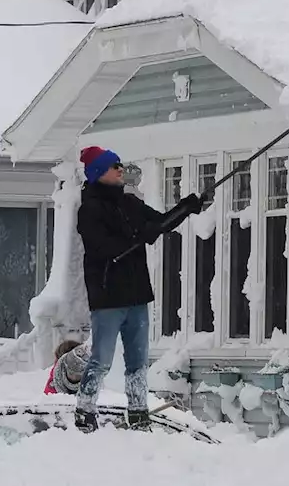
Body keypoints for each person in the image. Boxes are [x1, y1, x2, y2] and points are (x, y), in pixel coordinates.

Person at [75, 146, 204, 432]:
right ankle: (84, 411)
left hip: (137, 296)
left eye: (120, 165)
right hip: (108, 298)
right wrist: (138, 236)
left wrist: (184, 209)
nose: (121, 169)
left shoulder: (130, 203)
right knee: (102, 360)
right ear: (98, 173)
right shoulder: (89, 210)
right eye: (114, 166)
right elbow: (103, 248)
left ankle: (138, 413)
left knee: (137, 361)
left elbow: (158, 224)